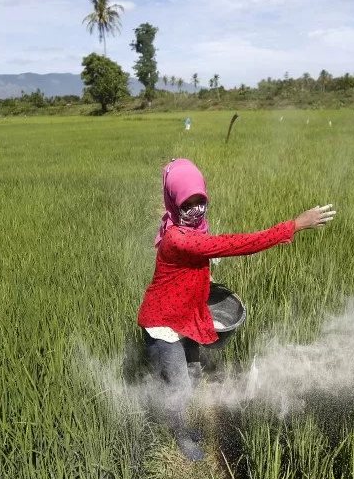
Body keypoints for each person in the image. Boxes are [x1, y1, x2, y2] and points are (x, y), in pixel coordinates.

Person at [137, 158, 336, 461]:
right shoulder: (177, 237)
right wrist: (293, 225)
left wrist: (206, 277)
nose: (196, 210)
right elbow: (235, 245)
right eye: (187, 204)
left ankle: (183, 425)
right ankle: (181, 436)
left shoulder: (191, 228)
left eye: (200, 201)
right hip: (163, 324)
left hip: (183, 315)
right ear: (174, 202)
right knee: (178, 386)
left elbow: (195, 262)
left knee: (191, 374)